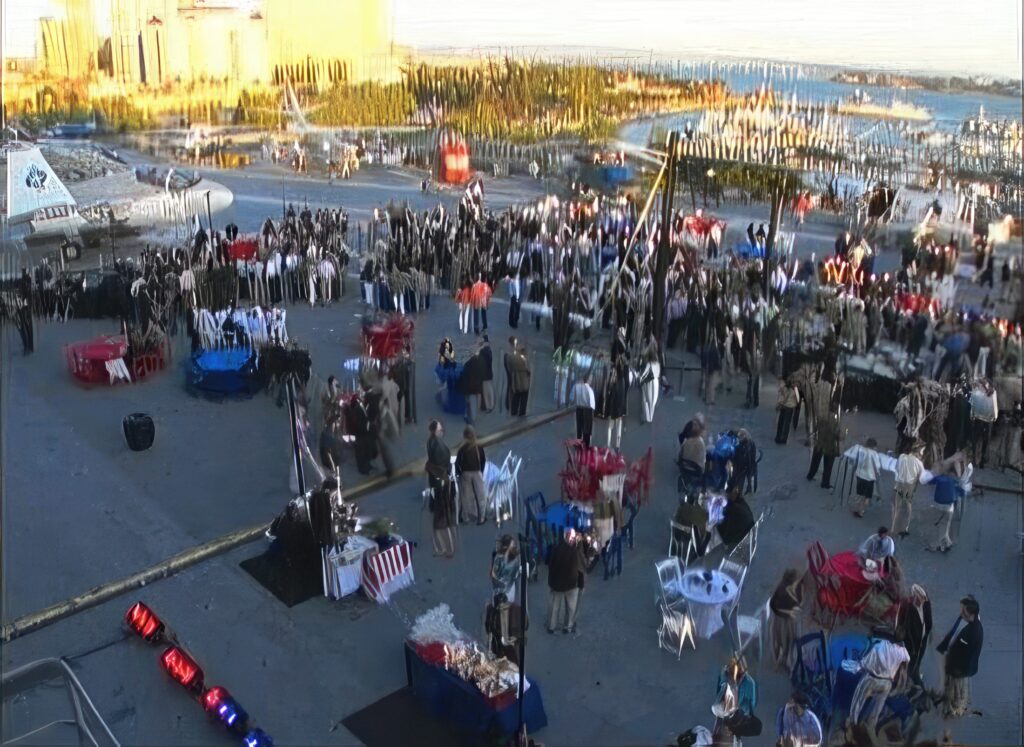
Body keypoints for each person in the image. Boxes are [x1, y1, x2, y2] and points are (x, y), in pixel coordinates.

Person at [848, 635, 909, 734]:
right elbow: (906, 662)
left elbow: (865, 664)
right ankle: (869, 729)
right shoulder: (902, 651)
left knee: (857, 702)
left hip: (871, 680)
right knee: (876, 710)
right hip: (886, 683)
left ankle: (852, 724)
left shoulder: (878, 647)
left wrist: (857, 666)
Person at [936, 594, 983, 718]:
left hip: (959, 669)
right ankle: (952, 707)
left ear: (970, 612)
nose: (960, 612)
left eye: (963, 609)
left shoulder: (973, 632)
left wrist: (951, 661)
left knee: (956, 689)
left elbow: (966, 654)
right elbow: (953, 633)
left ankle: (955, 710)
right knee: (953, 687)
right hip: (956, 665)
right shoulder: (965, 620)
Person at [424, 421, 456, 557]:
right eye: (440, 429)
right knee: (443, 521)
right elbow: (444, 463)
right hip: (441, 484)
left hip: (437, 483)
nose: (442, 431)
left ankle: (443, 548)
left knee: (440, 520)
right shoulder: (439, 447)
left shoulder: (431, 442)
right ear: (436, 431)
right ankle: (447, 549)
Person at [547, 528, 584, 634]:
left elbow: (551, 567)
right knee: (571, 608)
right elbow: (580, 567)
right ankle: (567, 627)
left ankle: (552, 627)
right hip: (571, 585)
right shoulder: (575, 551)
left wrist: (551, 583)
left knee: (555, 607)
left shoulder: (556, 549)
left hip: (558, 585)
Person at [713, 657, 758, 744]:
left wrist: (746, 712)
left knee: (734, 730)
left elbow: (752, 702)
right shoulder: (725, 676)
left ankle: (734, 740)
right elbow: (719, 690)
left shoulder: (749, 682)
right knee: (720, 726)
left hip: (738, 711)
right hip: (726, 708)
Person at [897, 584, 932, 687]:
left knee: (918, 660)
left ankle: (913, 675)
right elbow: (903, 626)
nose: (922, 601)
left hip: (922, 642)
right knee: (910, 663)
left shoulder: (926, 604)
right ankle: (908, 680)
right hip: (911, 645)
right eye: (920, 598)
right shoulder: (909, 608)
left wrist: (926, 635)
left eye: (923, 599)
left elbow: (929, 621)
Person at [769, 569, 803, 671]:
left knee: (785, 640)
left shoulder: (793, 588)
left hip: (786, 619)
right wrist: (789, 612)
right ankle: (779, 661)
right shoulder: (782, 591)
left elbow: (798, 601)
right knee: (782, 641)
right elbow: (774, 606)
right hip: (782, 620)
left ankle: (783, 660)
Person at [924, 469, 963, 553]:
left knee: (940, 525)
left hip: (940, 505)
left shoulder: (939, 478)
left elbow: (929, 481)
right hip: (950, 507)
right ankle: (947, 542)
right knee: (946, 525)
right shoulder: (954, 481)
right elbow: (961, 492)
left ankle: (938, 545)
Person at [892, 445, 925, 538]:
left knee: (897, 504)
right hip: (909, 485)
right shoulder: (918, 463)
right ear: (917, 453)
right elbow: (921, 478)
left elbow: (897, 468)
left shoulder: (902, 456)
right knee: (908, 505)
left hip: (900, 483)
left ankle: (894, 526)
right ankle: (905, 528)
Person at [456, 426, 487, 524]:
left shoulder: (462, 449)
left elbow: (458, 463)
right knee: (481, 496)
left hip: (465, 474)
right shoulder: (479, 447)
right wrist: (480, 471)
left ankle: (465, 518)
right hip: (477, 472)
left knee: (466, 496)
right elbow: (483, 460)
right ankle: (481, 517)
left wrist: (459, 474)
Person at [806, 409, 842, 489]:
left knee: (815, 461)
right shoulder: (835, 422)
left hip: (820, 444)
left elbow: (815, 430)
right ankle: (825, 483)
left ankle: (810, 475)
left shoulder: (821, 419)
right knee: (828, 466)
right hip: (830, 446)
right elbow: (838, 435)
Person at [851, 438, 882, 518]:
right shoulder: (875, 454)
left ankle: (857, 508)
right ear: (874, 446)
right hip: (870, 478)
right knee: (867, 495)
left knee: (860, 493)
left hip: (860, 476)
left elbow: (857, 461)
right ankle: (862, 511)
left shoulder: (861, 450)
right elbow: (877, 466)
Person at [490, 535, 521, 602]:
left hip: (507, 588)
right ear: (507, 546)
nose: (514, 546)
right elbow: (493, 574)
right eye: (512, 544)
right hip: (503, 588)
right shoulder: (499, 558)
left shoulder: (514, 558)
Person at [729, 429, 757, 495]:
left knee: (740, 482)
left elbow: (750, 460)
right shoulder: (739, 442)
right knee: (736, 480)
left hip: (744, 467)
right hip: (739, 465)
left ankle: (744, 491)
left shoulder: (749, 445)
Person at [573, 374, 596, 446]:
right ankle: (586, 446)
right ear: (589, 380)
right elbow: (593, 405)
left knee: (579, 427)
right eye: (591, 379)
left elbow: (572, 398)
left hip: (579, 408)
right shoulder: (590, 390)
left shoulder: (577, 387)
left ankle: (579, 443)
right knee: (587, 430)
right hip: (588, 410)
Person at [508, 345, 531, 417]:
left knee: (516, 396)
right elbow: (528, 370)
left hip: (516, 381)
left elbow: (510, 368)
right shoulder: (524, 360)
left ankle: (513, 411)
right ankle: (522, 412)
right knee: (524, 397)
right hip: (524, 382)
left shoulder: (512, 358)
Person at [775, 378, 800, 444]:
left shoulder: (783, 386)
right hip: (790, 407)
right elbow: (798, 399)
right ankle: (784, 439)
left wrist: (778, 404)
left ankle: (778, 437)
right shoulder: (795, 388)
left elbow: (780, 394)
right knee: (787, 423)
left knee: (781, 421)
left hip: (783, 405)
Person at [478, 335, 495, 413]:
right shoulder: (488, 350)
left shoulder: (484, 351)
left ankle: (489, 407)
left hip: (485, 375)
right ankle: (490, 406)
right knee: (489, 390)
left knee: (486, 391)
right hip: (488, 374)